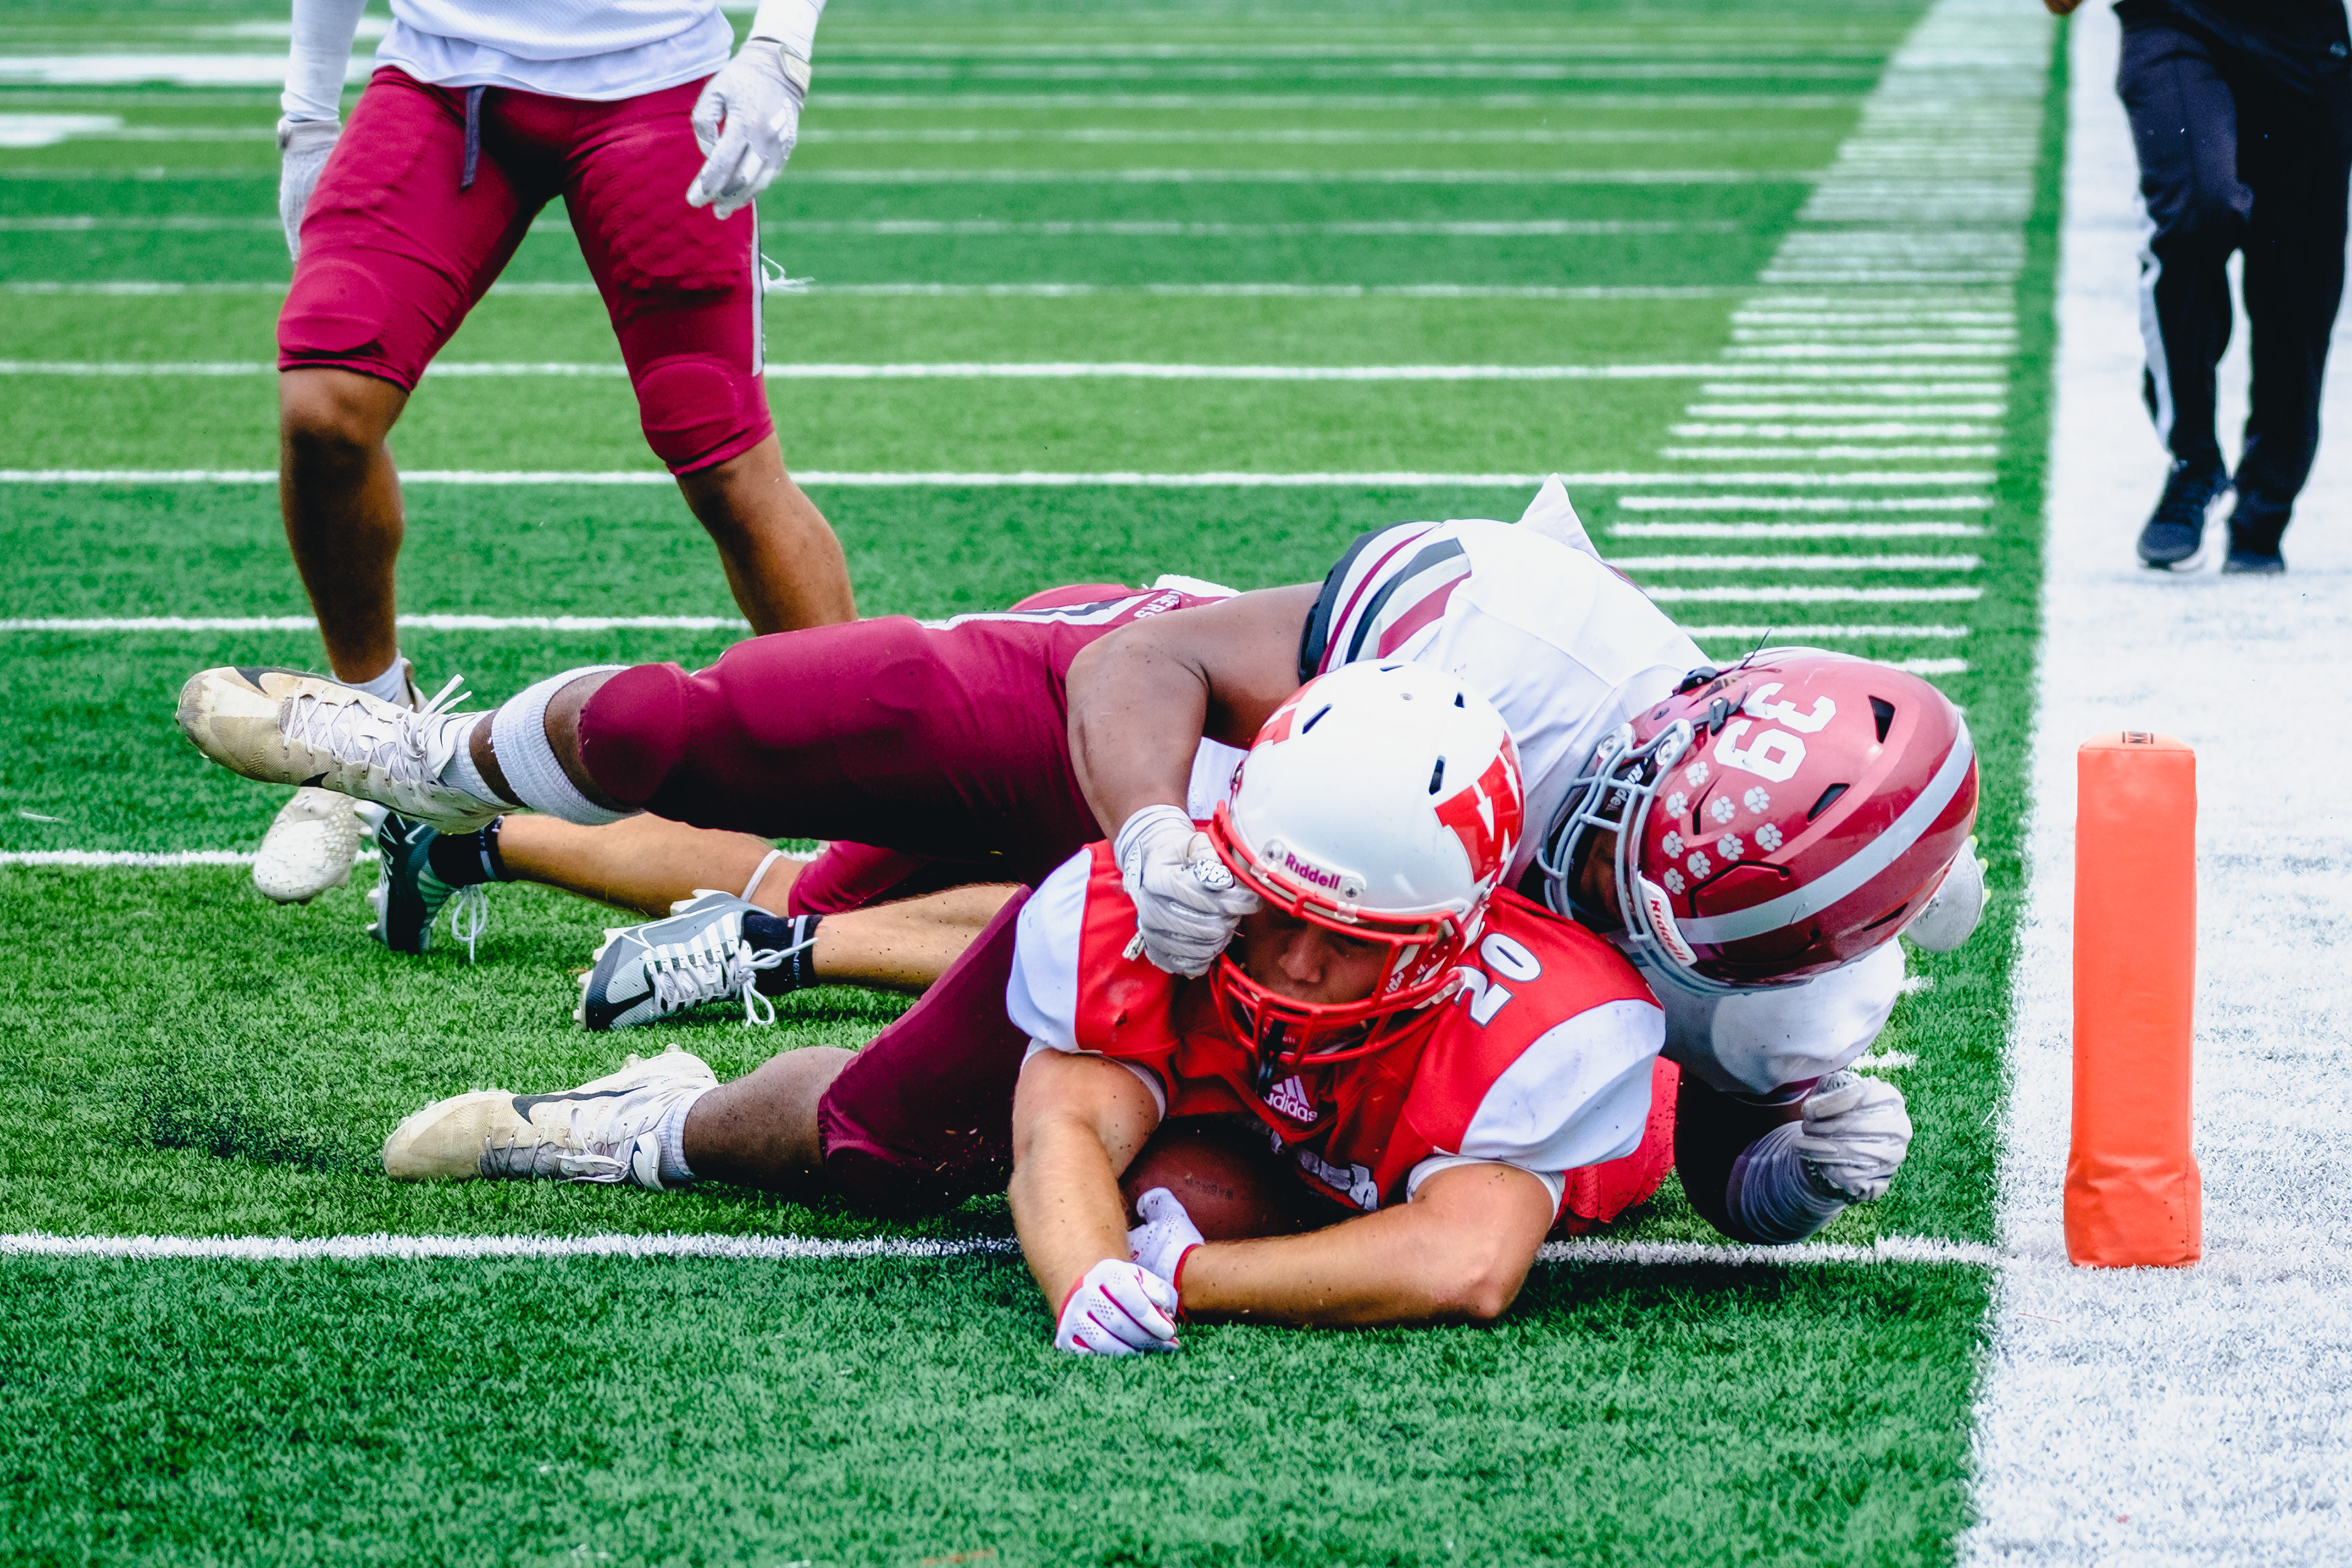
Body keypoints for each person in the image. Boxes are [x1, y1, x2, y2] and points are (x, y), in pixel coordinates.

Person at [176, 484, 1984, 1243]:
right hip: (1176, 768)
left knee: (910, 1136)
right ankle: (426, 760)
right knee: (786, 716)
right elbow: (1146, 672)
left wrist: (1785, 1177)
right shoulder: (1531, 631)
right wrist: (1153, 830)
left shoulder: (1796, 977)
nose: (1608, 860)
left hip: (1299, 977)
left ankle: (640, 1115)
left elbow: (1662, 1136)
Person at [375, 666, 1676, 1352]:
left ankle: (767, 936)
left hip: (1316, 1138)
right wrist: (1087, 1273)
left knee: (1191, 1192)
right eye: (1268, 904)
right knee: (878, 1139)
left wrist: (1190, 1276)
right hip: (1068, 753)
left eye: (1342, 939)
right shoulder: (1175, 872)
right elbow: (1060, 1129)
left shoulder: (1548, 1013)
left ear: (1456, 931)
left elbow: (1463, 1259)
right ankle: (656, 1120)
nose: (1290, 958)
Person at [252, 0, 856, 907]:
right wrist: (307, 113)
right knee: (324, 405)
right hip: (442, 86)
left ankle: (882, 794)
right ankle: (371, 735)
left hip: (658, 83)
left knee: (722, 458)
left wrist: (780, 50)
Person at [2045, 0, 2352, 573]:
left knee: (2299, 283)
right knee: (2194, 211)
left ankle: (2265, 508)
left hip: (2305, 36)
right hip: (2173, 17)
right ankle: (2194, 458)